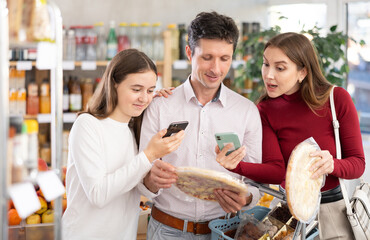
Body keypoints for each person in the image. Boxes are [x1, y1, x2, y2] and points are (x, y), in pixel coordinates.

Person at [218, 32, 365, 239]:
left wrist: (333, 164)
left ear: (302, 72)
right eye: (265, 64)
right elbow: (277, 171)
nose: (268, 75)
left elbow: (358, 164)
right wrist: (236, 166)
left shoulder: (336, 99)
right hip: (286, 212)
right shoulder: (265, 110)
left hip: (331, 211)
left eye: (280, 68)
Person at [139, 11, 263, 239]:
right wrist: (150, 181)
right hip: (167, 230)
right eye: (207, 57)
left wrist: (245, 198)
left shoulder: (246, 111)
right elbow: (141, 174)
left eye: (225, 58)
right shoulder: (160, 106)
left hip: (225, 231)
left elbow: (255, 181)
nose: (216, 68)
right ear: (189, 53)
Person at [62, 49, 185, 240]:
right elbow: (98, 195)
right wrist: (149, 155)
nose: (144, 98)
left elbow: (135, 185)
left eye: (150, 90)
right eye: (136, 90)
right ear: (114, 84)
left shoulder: (134, 128)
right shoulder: (87, 125)